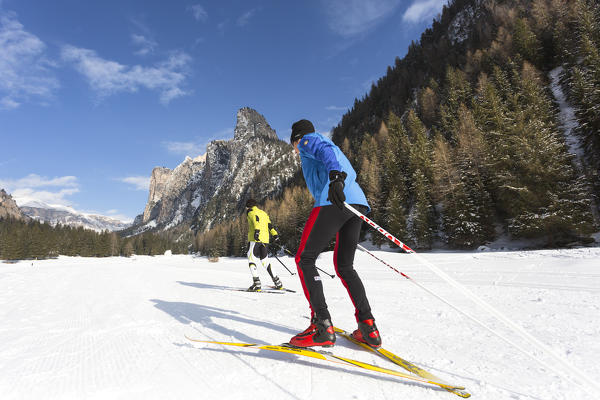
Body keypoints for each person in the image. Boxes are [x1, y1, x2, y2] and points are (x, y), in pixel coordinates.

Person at [288, 119, 381, 349]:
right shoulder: (333, 148)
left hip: (333, 201)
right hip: (356, 204)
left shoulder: (309, 140)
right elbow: (332, 155)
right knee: (345, 267)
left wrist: (335, 179)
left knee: (304, 258)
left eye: (294, 145)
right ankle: (368, 327)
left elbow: (324, 150)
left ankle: (321, 326)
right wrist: (337, 179)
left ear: (296, 140)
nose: (295, 149)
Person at [245, 198, 283, 292]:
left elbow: (256, 221)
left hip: (255, 239)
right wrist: (275, 235)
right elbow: (270, 226)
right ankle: (278, 283)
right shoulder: (264, 213)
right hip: (265, 240)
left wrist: (257, 232)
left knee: (251, 259)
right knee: (265, 261)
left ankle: (256, 284)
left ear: (248, 206)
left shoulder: (250, 212)